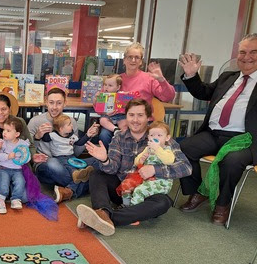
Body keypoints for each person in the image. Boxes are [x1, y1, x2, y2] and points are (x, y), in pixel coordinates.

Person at [177, 33, 257, 224]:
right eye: (242, 52)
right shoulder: (228, 77)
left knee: (231, 161)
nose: (246, 56)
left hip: (246, 140)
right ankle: (198, 192)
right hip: (214, 133)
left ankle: (222, 204)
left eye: (253, 52)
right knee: (183, 149)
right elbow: (204, 92)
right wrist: (191, 75)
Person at [76, 99, 191, 236]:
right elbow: (112, 169)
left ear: (148, 118)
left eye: (140, 115)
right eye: (131, 115)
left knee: (163, 202)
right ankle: (103, 212)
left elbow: (186, 167)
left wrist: (155, 170)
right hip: (123, 189)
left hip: (147, 191)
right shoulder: (119, 138)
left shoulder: (159, 136)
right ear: (126, 117)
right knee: (97, 174)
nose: (135, 120)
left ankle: (105, 217)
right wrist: (105, 159)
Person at [27, 87, 99, 203]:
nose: (54, 107)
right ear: (46, 102)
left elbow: (75, 151)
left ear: (65, 103)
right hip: (46, 164)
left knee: (99, 162)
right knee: (53, 163)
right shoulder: (35, 121)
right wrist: (37, 136)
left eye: (59, 103)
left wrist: (87, 136)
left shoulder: (70, 122)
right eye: (51, 103)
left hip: (69, 162)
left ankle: (69, 190)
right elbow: (26, 148)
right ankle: (82, 182)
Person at [98, 43, 176, 148]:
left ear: (141, 61)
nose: (133, 60)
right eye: (130, 57)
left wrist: (162, 80)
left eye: (137, 57)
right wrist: (106, 110)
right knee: (104, 135)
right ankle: (111, 161)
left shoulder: (149, 78)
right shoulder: (115, 80)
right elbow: (100, 105)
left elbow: (168, 97)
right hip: (118, 120)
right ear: (124, 60)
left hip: (142, 121)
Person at [0, 92, 38, 201]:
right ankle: (9, 187)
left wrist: (34, 156)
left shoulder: (20, 123)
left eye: (4, 109)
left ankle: (12, 187)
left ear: (9, 109)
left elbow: (30, 144)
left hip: (17, 166)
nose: (0, 113)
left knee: (25, 198)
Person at [117, 121, 175, 206]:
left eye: (159, 135)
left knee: (139, 190)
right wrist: (141, 160)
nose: (156, 137)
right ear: (148, 137)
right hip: (144, 178)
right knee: (126, 185)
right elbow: (136, 161)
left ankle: (133, 211)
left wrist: (157, 149)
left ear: (167, 138)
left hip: (161, 181)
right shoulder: (147, 149)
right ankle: (126, 206)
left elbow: (169, 161)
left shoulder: (167, 150)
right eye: (152, 135)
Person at [41, 114, 97, 185]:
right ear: (61, 129)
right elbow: (45, 139)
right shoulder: (53, 135)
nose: (72, 126)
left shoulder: (72, 136)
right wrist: (45, 131)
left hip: (71, 156)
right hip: (60, 157)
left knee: (80, 163)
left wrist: (87, 135)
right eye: (69, 124)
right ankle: (76, 174)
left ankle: (83, 173)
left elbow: (79, 143)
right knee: (68, 166)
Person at [0, 115, 30, 214]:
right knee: (3, 183)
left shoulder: (22, 144)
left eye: (8, 131)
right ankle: (1, 201)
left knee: (20, 182)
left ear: (17, 134)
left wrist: (23, 158)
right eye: (4, 130)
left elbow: (27, 156)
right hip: (3, 168)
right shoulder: (2, 143)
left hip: (18, 169)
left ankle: (15, 199)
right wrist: (8, 156)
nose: (4, 132)